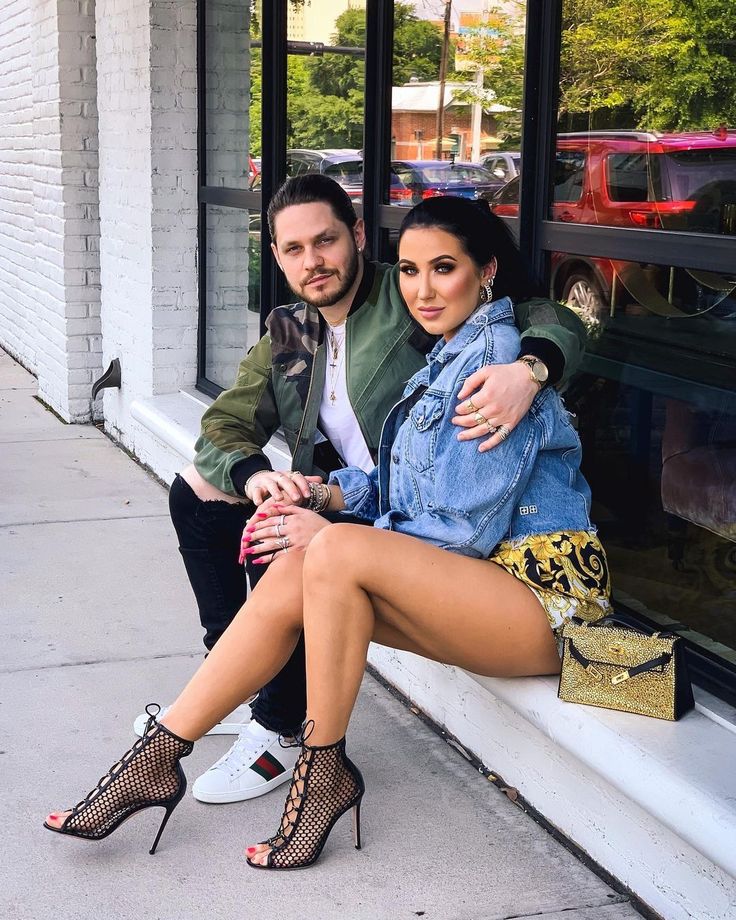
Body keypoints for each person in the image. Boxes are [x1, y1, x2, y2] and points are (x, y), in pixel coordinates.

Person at [45, 197, 610, 871]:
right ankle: (160, 758)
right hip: (478, 586)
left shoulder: (491, 361)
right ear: (277, 259)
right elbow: (382, 474)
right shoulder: (355, 340)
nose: (423, 288)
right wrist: (322, 492)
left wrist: (533, 367)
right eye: (411, 270)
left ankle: (314, 764)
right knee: (272, 544)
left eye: (443, 269)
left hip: (546, 603)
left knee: (329, 552)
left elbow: (458, 526)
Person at [152, 173, 588, 806]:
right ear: (275, 255)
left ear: (356, 234)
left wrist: (530, 369)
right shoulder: (292, 331)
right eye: (293, 249)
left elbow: (544, 313)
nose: (313, 262)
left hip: (434, 521)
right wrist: (260, 476)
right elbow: (224, 424)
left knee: (299, 550)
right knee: (200, 493)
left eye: (325, 241)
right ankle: (242, 681)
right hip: (372, 492)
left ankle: (278, 724)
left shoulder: (411, 295)